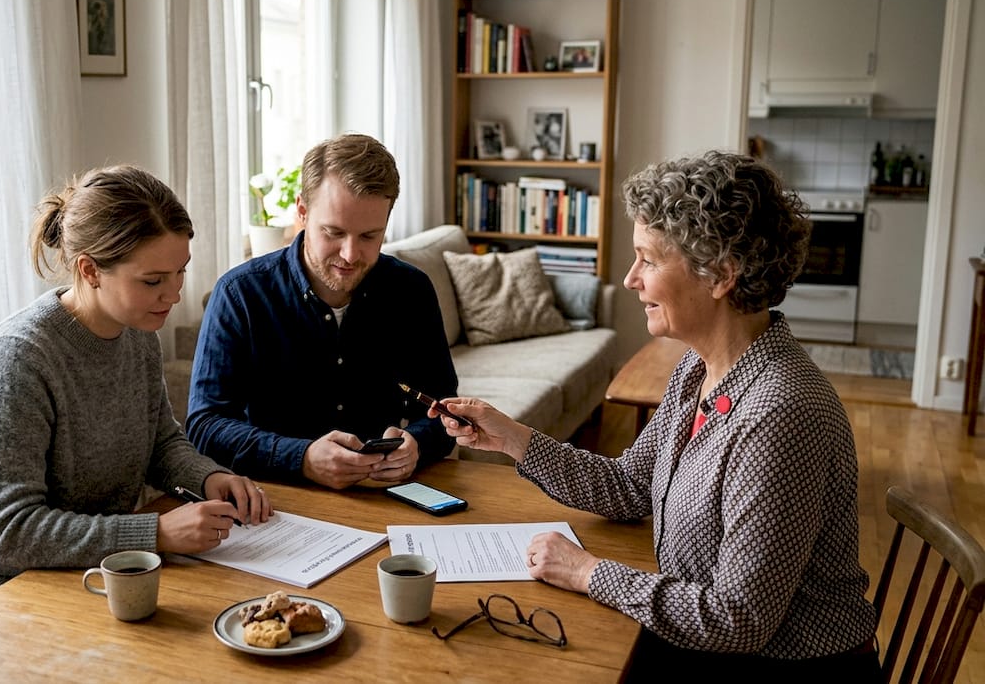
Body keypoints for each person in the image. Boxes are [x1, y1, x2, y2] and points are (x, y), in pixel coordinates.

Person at [431, 151, 879, 679]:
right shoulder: (699, 369)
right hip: (705, 643)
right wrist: (513, 439)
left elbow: (737, 620)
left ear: (721, 275)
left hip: (780, 666)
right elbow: (629, 486)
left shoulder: (782, 413)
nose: (629, 279)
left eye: (648, 259)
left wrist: (588, 572)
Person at [0, 165, 272, 618]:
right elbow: (11, 535)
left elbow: (161, 443)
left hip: (95, 570)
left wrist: (208, 478)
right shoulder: (17, 361)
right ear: (90, 270)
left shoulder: (137, 334)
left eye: (180, 272)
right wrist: (156, 533)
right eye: (152, 280)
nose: (172, 294)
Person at [187, 134, 458, 490]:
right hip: (280, 497)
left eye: (369, 236)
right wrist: (301, 458)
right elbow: (205, 425)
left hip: (382, 495)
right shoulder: (240, 295)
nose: (350, 254)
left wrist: (416, 445)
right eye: (334, 232)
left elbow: (444, 411)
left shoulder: (411, 291)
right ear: (301, 211)